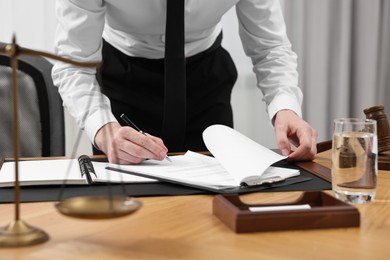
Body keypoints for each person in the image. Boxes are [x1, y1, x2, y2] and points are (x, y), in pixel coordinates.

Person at [52, 0, 317, 165]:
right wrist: (104, 130)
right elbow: (73, 63)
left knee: (212, 204)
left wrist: (285, 108)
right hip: (124, 81)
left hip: (205, 80)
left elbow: (270, 47)